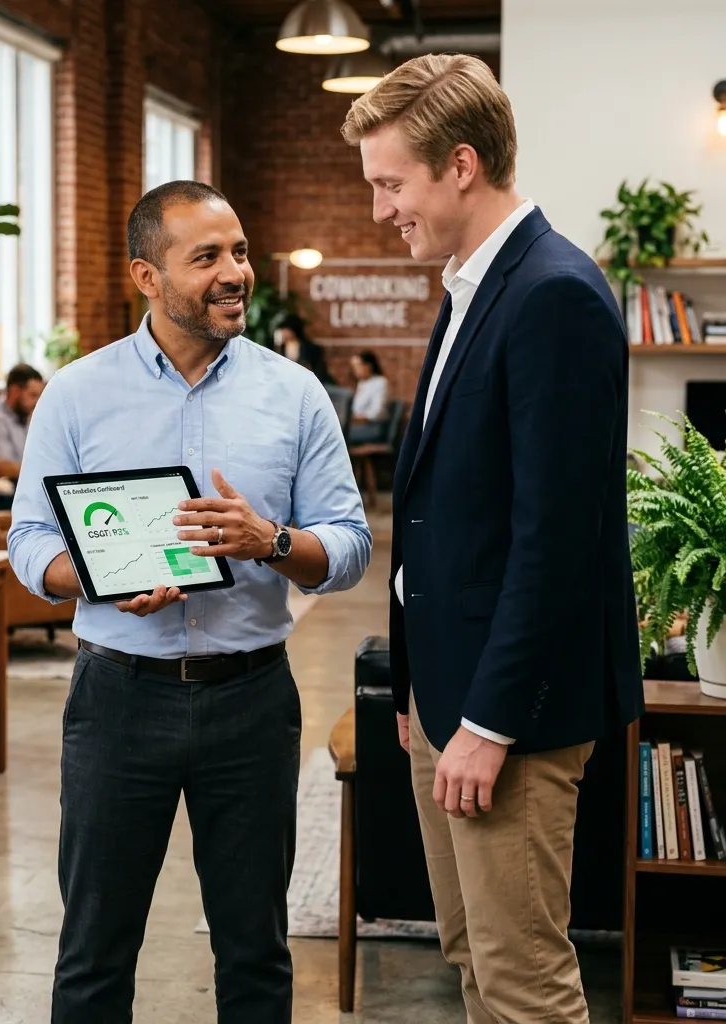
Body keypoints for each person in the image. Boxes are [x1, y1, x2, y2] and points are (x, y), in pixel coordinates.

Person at [8, 179, 371, 1023]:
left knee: (255, 952)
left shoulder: (295, 394)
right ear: (146, 275)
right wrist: (100, 576)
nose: (234, 271)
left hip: (251, 700)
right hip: (116, 699)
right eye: (206, 256)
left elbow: (349, 545)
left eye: (239, 251)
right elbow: (29, 545)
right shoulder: (76, 393)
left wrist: (271, 542)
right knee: (94, 953)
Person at [342, 54, 643, 1023]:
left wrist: (486, 722)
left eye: (391, 183)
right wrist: (418, 686)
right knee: (471, 957)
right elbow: (440, 508)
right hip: (449, 696)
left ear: (460, 164)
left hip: (510, 717)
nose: (382, 208)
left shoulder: (552, 292)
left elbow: (553, 541)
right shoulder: (472, 282)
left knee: (522, 984)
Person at [0, 362, 44, 480]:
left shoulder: (25, 415)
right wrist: (44, 469)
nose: (37, 402)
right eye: (33, 395)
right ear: (14, 391)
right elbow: (1, 467)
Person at [273, 313, 334, 383]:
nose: (282, 332)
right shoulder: (279, 348)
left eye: (285, 329)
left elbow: (319, 370)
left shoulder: (310, 348)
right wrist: (277, 346)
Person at [348, 350, 389, 443]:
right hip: (357, 425)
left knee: (341, 433)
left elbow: (378, 412)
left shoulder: (380, 382)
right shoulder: (362, 383)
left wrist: (360, 419)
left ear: (368, 366)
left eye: (358, 366)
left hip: (373, 427)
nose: (355, 370)